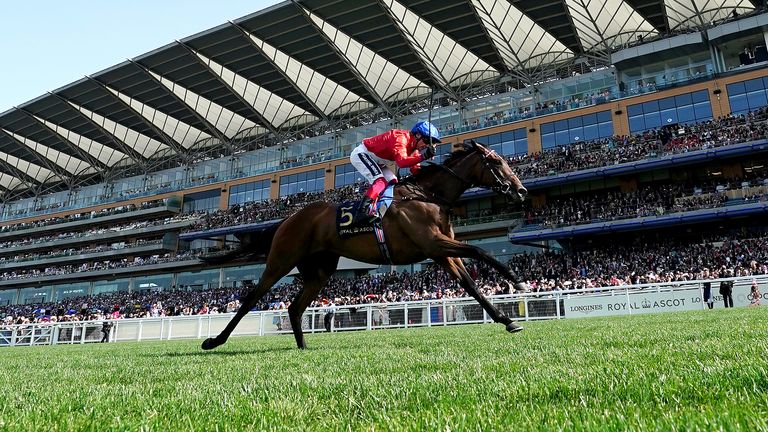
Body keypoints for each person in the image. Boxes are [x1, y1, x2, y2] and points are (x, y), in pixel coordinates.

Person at [349, 121, 441, 225]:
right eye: (426, 141)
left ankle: (379, 211)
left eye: (431, 143)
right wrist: (423, 156)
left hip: (377, 161)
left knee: (393, 181)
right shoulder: (400, 138)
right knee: (380, 182)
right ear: (417, 135)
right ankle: (361, 212)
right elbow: (402, 162)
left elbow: (415, 170)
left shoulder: (413, 147)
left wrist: (431, 172)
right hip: (362, 154)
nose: (427, 145)